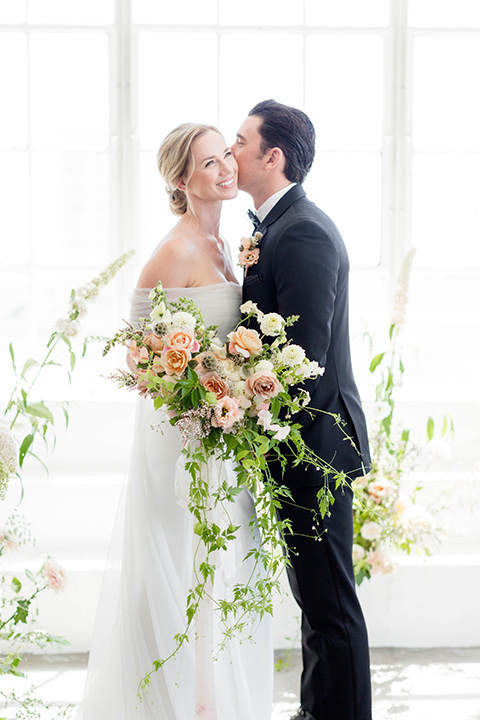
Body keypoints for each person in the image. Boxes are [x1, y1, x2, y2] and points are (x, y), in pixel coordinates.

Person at [79, 123, 273, 720]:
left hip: (224, 427)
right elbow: (138, 349)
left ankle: (207, 702)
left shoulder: (229, 244)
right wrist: (193, 387)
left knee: (219, 567)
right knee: (182, 560)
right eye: (208, 163)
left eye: (225, 157)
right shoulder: (174, 250)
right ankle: (175, 704)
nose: (225, 169)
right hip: (183, 436)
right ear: (182, 180)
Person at [232, 100, 372, 720]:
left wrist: (269, 431)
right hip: (297, 442)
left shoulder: (304, 230)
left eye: (239, 142)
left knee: (329, 602)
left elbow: (303, 358)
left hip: (313, 441)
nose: (231, 153)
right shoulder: (274, 227)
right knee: (314, 598)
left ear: (273, 156)